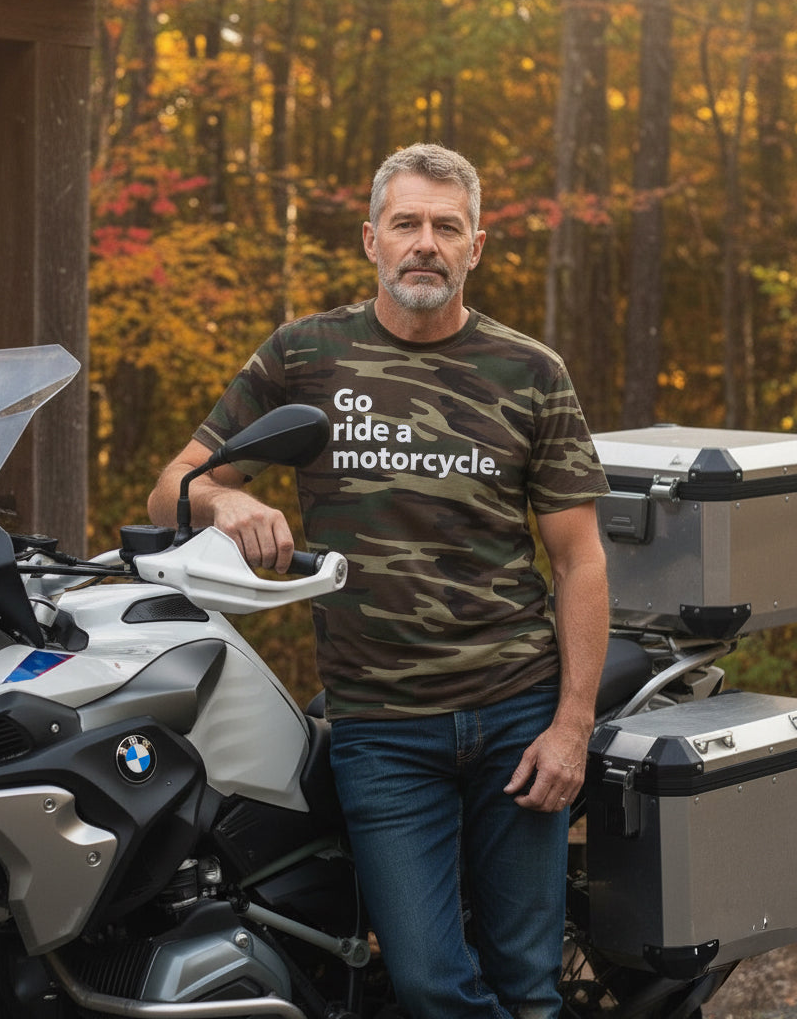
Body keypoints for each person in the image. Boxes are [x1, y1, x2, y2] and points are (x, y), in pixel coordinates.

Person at [148, 143, 610, 1019]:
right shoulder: (305, 356)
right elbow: (171, 483)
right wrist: (218, 500)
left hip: (517, 712)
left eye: (446, 226)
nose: (425, 243)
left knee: (527, 983)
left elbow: (580, 560)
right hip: (380, 730)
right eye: (407, 223)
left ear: (478, 245)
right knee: (430, 983)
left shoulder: (530, 372)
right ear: (371, 238)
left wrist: (571, 729)